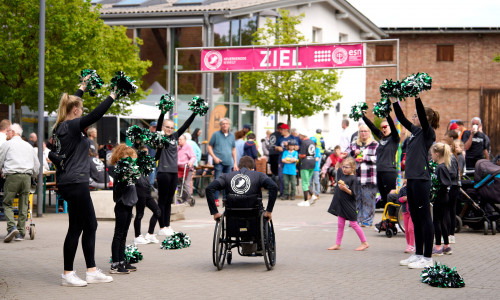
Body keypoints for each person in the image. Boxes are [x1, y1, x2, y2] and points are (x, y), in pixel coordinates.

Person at [50, 77, 115, 286]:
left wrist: (82, 88)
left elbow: (72, 102)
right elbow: (97, 114)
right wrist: (112, 95)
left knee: (81, 226)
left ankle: (89, 271)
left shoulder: (60, 126)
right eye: (81, 108)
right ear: (76, 111)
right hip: (76, 182)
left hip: (69, 181)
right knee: (86, 225)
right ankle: (70, 274)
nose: (83, 110)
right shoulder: (72, 126)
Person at [393, 96, 439, 269]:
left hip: (421, 180)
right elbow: (402, 118)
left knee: (425, 218)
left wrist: (417, 97)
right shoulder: (414, 133)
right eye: (413, 116)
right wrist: (394, 101)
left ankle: (428, 258)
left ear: (426, 119)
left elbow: (420, 112)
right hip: (411, 180)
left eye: (416, 116)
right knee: (416, 218)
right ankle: (418, 254)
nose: (413, 118)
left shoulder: (428, 132)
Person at [155, 109, 197, 236]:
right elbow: (158, 124)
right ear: (163, 127)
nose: (169, 129)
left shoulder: (175, 136)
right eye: (167, 127)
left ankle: (167, 225)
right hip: (163, 172)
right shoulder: (160, 137)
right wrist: (162, 112)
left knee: (169, 201)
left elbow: (185, 125)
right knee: (162, 201)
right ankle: (161, 227)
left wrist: (194, 113)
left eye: (171, 127)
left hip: (173, 172)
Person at [0, 123, 40, 242]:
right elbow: (36, 165)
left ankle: (11, 227)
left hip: (12, 176)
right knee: (24, 204)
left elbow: (0, 159)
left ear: (13, 132)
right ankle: (21, 233)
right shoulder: (28, 146)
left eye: (7, 131)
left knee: (7, 203)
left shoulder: (7, 144)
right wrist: (33, 176)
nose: (6, 133)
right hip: (26, 177)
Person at [205, 156, 277, 221]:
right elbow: (273, 187)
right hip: (254, 213)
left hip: (232, 213)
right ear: (252, 169)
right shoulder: (259, 175)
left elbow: (209, 188)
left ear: (238, 168)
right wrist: (269, 211)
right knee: (266, 224)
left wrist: (215, 212)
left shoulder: (226, 176)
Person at [327, 157, 369, 251]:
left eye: (347, 167)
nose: (344, 169)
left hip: (349, 205)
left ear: (353, 168)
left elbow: (354, 194)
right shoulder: (342, 174)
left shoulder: (354, 179)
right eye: (343, 167)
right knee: (340, 225)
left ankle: (364, 242)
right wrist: (340, 158)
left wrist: (345, 189)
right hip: (341, 205)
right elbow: (337, 166)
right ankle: (338, 244)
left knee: (354, 224)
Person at [109, 144, 139, 274]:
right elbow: (117, 190)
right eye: (129, 158)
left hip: (129, 205)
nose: (131, 161)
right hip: (121, 205)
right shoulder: (120, 171)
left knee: (124, 234)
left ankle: (122, 261)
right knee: (118, 234)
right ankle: (115, 264)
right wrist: (124, 180)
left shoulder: (130, 170)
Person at [362, 114, 400, 207]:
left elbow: (392, 125)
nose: (383, 129)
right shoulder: (381, 137)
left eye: (385, 127)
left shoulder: (394, 138)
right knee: (383, 197)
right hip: (379, 171)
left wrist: (386, 114)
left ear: (390, 127)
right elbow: (372, 127)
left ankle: (393, 218)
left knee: (390, 197)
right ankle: (387, 219)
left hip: (389, 171)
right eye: (381, 127)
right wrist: (363, 116)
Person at [348, 124, 378, 226]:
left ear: (369, 133)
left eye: (365, 131)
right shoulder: (354, 144)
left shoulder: (375, 144)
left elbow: (378, 159)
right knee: (356, 199)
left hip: (369, 177)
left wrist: (365, 157)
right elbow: (346, 155)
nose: (363, 133)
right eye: (361, 131)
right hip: (356, 177)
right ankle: (357, 220)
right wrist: (353, 152)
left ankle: (367, 221)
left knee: (368, 199)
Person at [133, 146, 161, 245]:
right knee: (140, 214)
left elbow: (156, 157)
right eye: (143, 153)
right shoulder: (136, 162)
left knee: (157, 211)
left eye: (147, 152)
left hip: (147, 191)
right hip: (139, 190)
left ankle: (150, 234)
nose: (146, 154)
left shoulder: (147, 163)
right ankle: (137, 236)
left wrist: (160, 148)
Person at [207, 118, 238, 207]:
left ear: (229, 125)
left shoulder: (232, 136)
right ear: (220, 125)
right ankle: (216, 199)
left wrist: (235, 163)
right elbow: (209, 147)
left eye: (226, 123)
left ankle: (225, 199)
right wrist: (214, 157)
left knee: (227, 182)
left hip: (228, 162)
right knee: (218, 180)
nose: (225, 125)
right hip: (218, 162)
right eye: (223, 124)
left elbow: (233, 149)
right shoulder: (216, 134)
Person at [430, 142, 453, 256]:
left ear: (437, 154)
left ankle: (438, 246)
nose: (431, 156)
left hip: (441, 197)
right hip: (443, 197)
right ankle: (447, 246)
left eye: (432, 154)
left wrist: (435, 188)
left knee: (437, 221)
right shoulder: (441, 166)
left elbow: (445, 183)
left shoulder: (440, 167)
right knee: (442, 220)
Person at [297, 133, 316, 207]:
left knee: (304, 182)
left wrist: (299, 155)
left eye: (300, 135)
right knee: (307, 181)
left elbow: (303, 154)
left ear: (302, 135)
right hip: (312, 162)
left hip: (305, 163)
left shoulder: (304, 142)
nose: (299, 136)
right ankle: (312, 195)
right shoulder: (312, 142)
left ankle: (306, 200)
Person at [177, 133, 196, 205]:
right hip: (179, 168)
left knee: (186, 183)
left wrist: (190, 162)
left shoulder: (188, 147)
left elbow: (193, 156)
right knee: (180, 184)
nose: (179, 141)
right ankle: (182, 198)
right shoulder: (178, 147)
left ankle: (188, 199)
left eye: (180, 139)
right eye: (178, 139)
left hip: (187, 168)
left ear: (185, 140)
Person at [309, 136, 322, 203]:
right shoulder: (308, 149)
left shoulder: (317, 149)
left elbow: (317, 158)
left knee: (316, 182)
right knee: (310, 182)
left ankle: (317, 194)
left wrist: (310, 159)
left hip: (315, 168)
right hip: (309, 168)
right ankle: (311, 194)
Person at [147, 121, 157, 187]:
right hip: (145, 161)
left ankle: (149, 193)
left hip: (153, 161)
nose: (154, 129)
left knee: (151, 181)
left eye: (156, 128)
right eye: (153, 127)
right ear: (150, 127)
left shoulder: (157, 137)